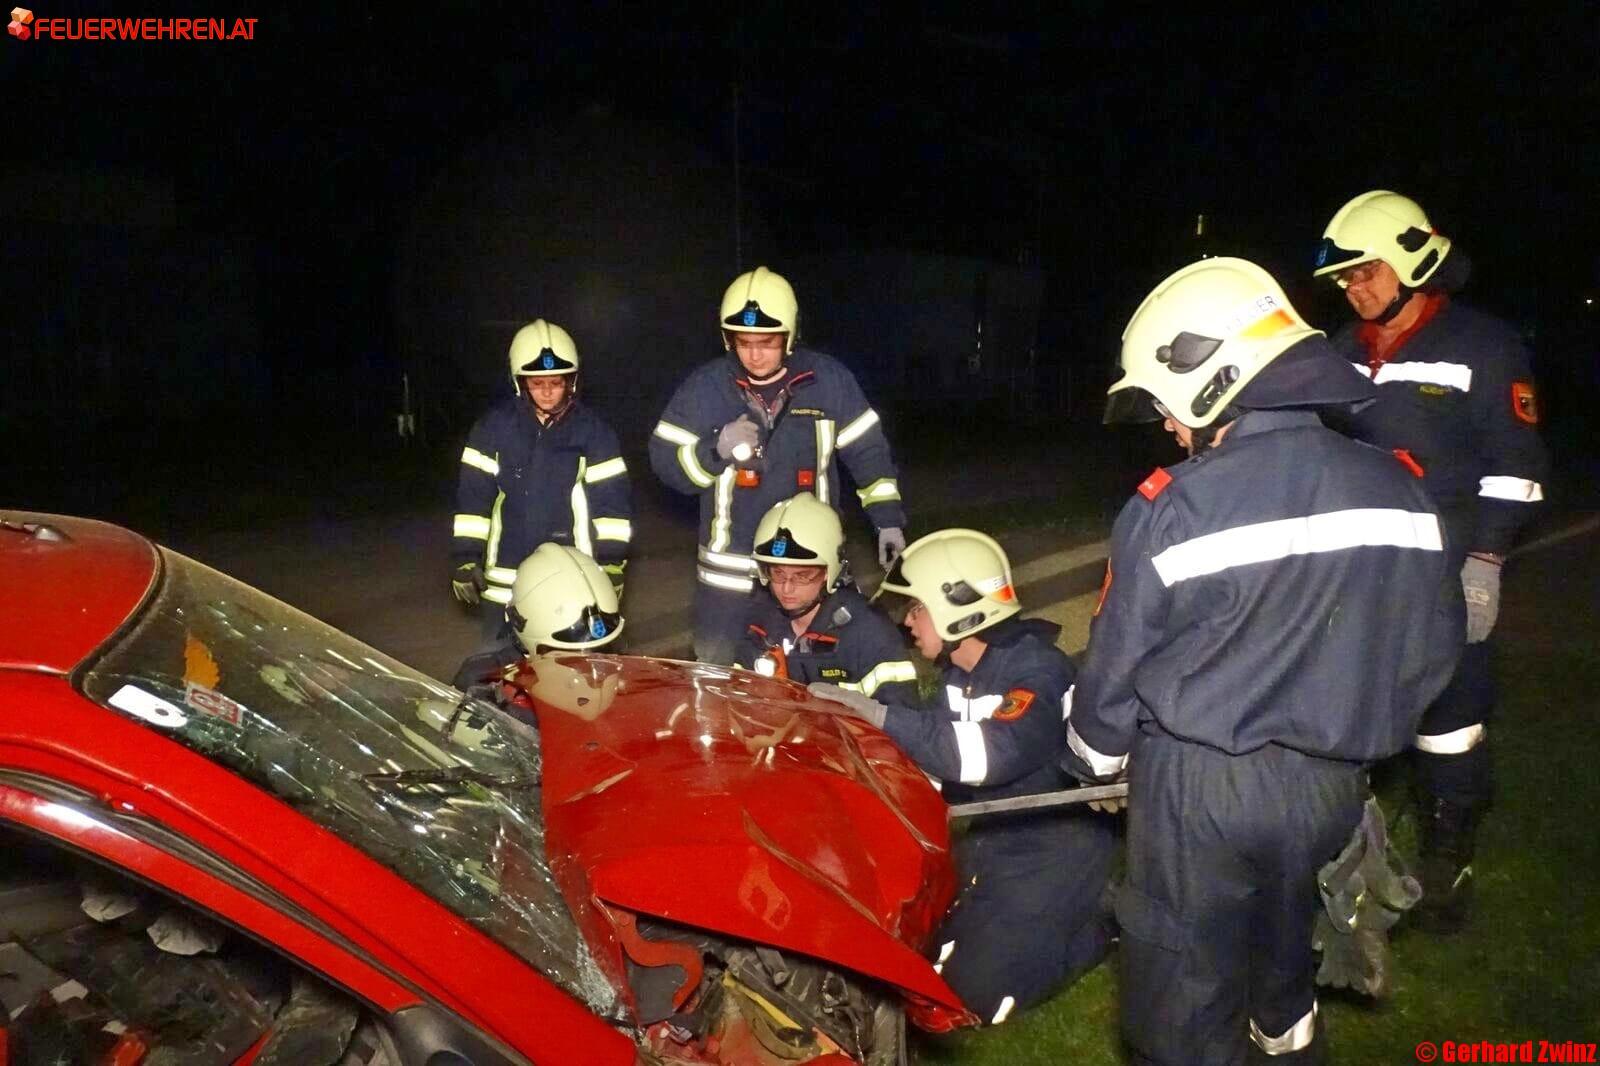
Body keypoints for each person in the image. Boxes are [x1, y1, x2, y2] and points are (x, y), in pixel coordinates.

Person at [1065, 257, 1463, 1065]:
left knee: (1182, 996)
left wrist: (1095, 762)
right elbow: (1433, 656)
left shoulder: (1173, 508)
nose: (1170, 428)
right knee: (1286, 979)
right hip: (1334, 789)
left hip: (1198, 790)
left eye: (1166, 407)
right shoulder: (1405, 493)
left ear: (1213, 377)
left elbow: (1112, 676)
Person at [1313, 191, 1549, 930]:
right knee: (1340, 715)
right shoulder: (1340, 351)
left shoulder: (1486, 345)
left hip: (1444, 571)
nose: (1356, 288)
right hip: (1355, 570)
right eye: (1346, 278)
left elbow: (1516, 464)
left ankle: (1449, 860)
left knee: (1448, 720)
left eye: (1368, 271)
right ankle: (1335, 852)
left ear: (1414, 262)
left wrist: (1486, 560)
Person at [810, 529, 1117, 1027]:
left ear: (960, 608)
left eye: (917, 608)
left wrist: (878, 715)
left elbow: (988, 756)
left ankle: (1102, 923)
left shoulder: (1037, 672)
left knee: (973, 1000)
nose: (908, 621)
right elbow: (939, 766)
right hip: (993, 836)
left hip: (1055, 845)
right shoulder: (961, 673)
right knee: (916, 957)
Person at [650, 266, 906, 664]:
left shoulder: (828, 382)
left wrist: (887, 519)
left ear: (790, 336)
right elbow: (665, 463)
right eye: (743, 342)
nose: (754, 354)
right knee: (720, 689)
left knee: (822, 681)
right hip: (729, 583)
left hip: (809, 572)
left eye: (767, 342)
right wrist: (713, 451)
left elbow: (869, 454)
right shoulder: (706, 388)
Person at [452, 319, 632, 644]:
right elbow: (473, 502)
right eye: (537, 383)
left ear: (571, 381)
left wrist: (612, 563)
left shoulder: (594, 433)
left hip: (574, 576)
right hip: (505, 578)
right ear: (520, 383)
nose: (547, 392)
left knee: (574, 671)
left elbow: (612, 506)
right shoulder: (493, 430)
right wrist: (465, 558)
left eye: (556, 382)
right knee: (497, 668)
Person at [740, 493, 918, 705]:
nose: (787, 588)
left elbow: (901, 720)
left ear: (829, 572)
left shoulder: (870, 634)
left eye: (802, 576)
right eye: (778, 574)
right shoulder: (759, 625)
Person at [451, 541, 623, 699]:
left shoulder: (477, 675)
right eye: (568, 655)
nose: (591, 665)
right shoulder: (480, 681)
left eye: (601, 649)